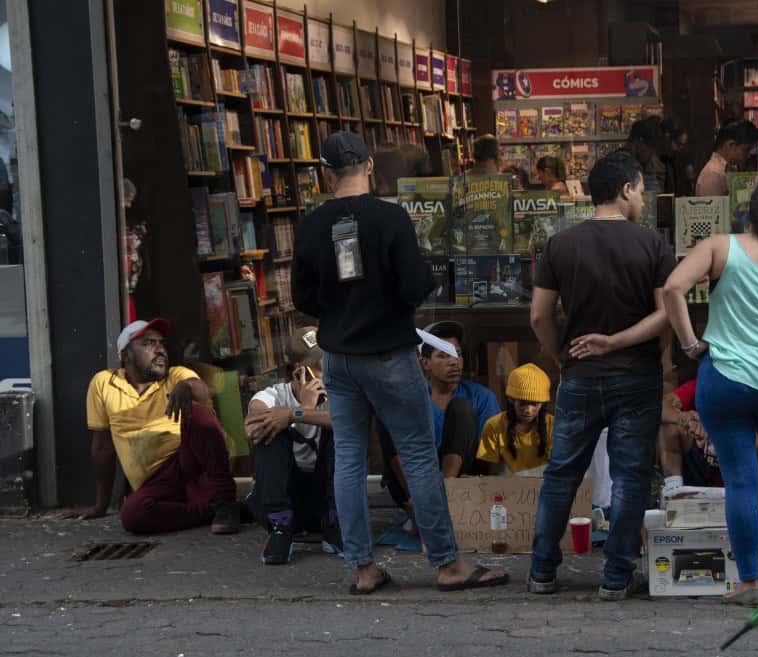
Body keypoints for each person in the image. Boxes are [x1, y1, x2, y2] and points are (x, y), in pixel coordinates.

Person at [291, 131, 507, 594]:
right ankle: (447, 564)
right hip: (388, 352)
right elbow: (414, 286)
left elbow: (302, 296)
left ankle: (364, 569)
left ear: (327, 173)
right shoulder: (391, 219)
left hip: (339, 357)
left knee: (348, 456)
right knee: (417, 453)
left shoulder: (311, 225)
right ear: (369, 165)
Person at [664, 177, 758, 606]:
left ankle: (748, 584)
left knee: (740, 481)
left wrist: (690, 343)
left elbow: (673, 288)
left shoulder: (719, 247)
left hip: (725, 379)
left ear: (749, 209)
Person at [528, 152, 674, 600]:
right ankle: (616, 576)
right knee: (631, 476)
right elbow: (667, 314)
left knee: (561, 474)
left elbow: (539, 316)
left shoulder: (561, 244)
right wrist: (633, 346)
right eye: (641, 190)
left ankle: (542, 572)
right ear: (626, 188)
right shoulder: (652, 244)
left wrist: (561, 357)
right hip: (636, 375)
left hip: (580, 375)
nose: (644, 199)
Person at [81, 319, 239, 535]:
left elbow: (202, 392)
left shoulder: (177, 375)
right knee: (133, 516)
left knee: (199, 413)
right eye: (148, 344)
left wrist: (186, 387)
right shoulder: (103, 383)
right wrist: (102, 504)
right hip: (156, 481)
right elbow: (102, 447)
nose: (160, 350)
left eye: (161, 343)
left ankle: (225, 502)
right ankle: (213, 511)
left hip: (188, 460)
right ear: (126, 354)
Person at [379, 320, 500, 515]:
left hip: (464, 485)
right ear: (425, 363)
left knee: (462, 408)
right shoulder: (412, 398)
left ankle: (440, 500)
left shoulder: (482, 397)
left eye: (457, 354)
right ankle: (424, 504)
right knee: (389, 410)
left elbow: (490, 455)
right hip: (415, 486)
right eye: (443, 355)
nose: (454, 361)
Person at [244, 327, 340, 565]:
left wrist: (298, 414)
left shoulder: (338, 393)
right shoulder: (273, 394)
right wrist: (288, 415)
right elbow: (254, 424)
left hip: (324, 498)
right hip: (287, 496)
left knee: (341, 433)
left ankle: (335, 523)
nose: (327, 373)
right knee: (269, 430)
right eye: (320, 367)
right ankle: (280, 527)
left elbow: (348, 421)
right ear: (299, 371)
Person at [476, 363, 554, 477]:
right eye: (523, 403)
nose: (528, 410)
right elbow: (491, 473)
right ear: (511, 400)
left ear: (543, 404)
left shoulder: (553, 425)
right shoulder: (494, 425)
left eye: (534, 404)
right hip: (506, 489)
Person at [659, 378, 721, 498]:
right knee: (669, 424)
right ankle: (674, 490)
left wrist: (713, 431)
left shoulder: (750, 387)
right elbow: (662, 405)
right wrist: (684, 418)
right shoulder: (704, 383)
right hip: (699, 467)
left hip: (736, 476)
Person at [695, 120, 758, 197]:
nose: (748, 156)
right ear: (731, 145)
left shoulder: (729, 169)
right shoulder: (713, 174)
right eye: (745, 150)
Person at [623, 117, 665, 195]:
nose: (651, 153)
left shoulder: (646, 164)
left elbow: (654, 191)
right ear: (638, 142)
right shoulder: (621, 164)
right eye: (650, 147)